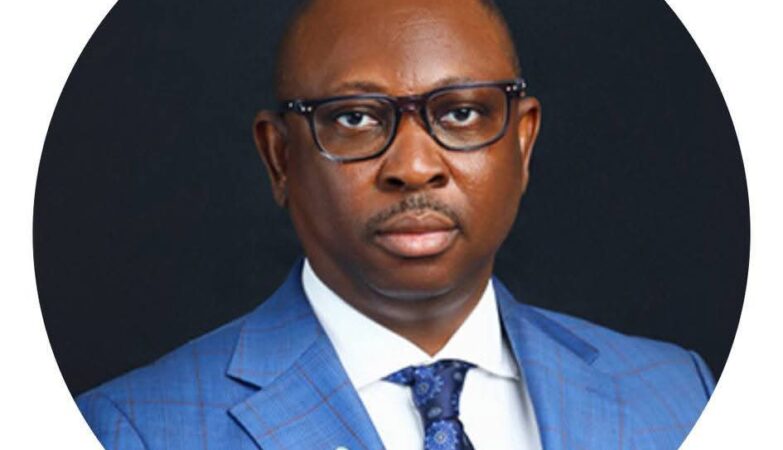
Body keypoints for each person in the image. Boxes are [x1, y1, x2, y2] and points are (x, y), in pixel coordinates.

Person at [76, 0, 714, 449]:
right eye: (354, 118)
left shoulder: (681, 396)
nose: (413, 167)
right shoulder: (128, 431)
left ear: (522, 145)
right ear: (280, 158)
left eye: (461, 113)